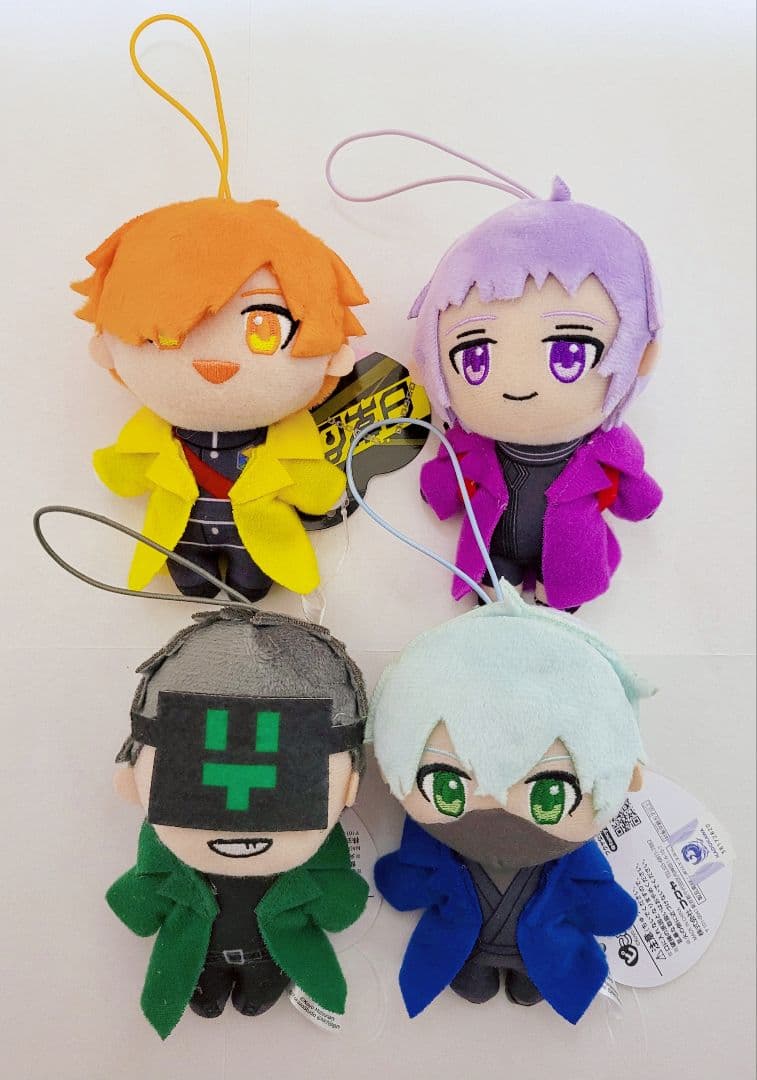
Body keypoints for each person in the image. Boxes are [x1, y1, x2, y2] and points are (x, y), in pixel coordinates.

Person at [370, 588, 650, 1023]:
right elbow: (407, 882)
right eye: (447, 789)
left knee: (534, 982)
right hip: (469, 948)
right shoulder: (439, 851)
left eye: (550, 796)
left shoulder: (572, 860)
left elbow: (602, 901)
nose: (497, 817)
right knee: (471, 982)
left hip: (544, 953)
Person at [74, 197, 368, 600]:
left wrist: (320, 489)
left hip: (258, 543)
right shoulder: (151, 436)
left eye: (264, 329)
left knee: (252, 588)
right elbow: (127, 471)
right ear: (107, 349)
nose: (214, 362)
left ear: (333, 357)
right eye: (170, 335)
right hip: (180, 538)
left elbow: (311, 486)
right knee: (191, 584)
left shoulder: (288, 442)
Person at [108, 607, 368, 1038]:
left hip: (270, 956)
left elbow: (339, 904)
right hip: (200, 957)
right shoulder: (163, 854)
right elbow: (137, 901)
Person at [414, 179, 662, 609]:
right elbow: (444, 479)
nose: (518, 385)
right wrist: (438, 489)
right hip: (494, 551)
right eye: (475, 357)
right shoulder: (471, 444)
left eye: (568, 353)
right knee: (495, 603)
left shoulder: (605, 447)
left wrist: (641, 500)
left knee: (558, 608)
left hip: (570, 555)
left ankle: (553, 600)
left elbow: (636, 490)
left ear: (640, 356)